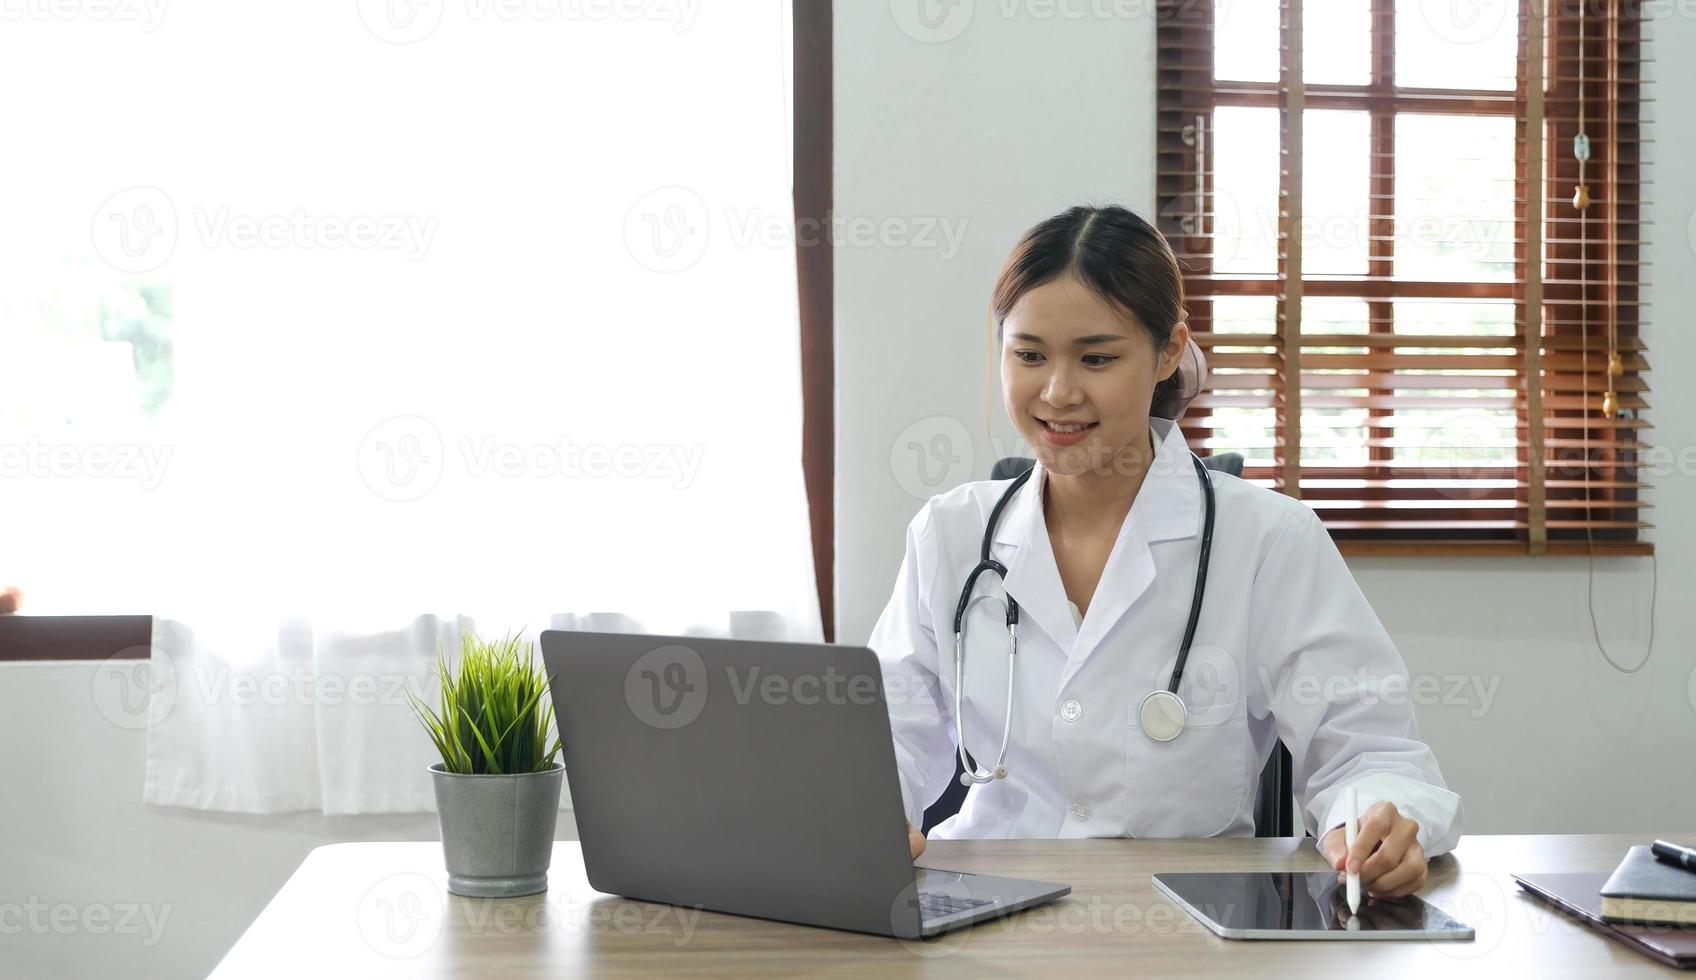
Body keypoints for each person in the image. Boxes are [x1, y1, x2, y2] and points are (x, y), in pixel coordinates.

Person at [870, 204, 1461, 900]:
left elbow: (1370, 749)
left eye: (1097, 357)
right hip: (984, 905)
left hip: (1183, 916)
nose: (1058, 391)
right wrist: (858, 817)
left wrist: (1370, 821)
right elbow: (886, 739)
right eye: (1029, 354)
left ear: (1169, 350)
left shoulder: (1269, 539)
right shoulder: (950, 534)